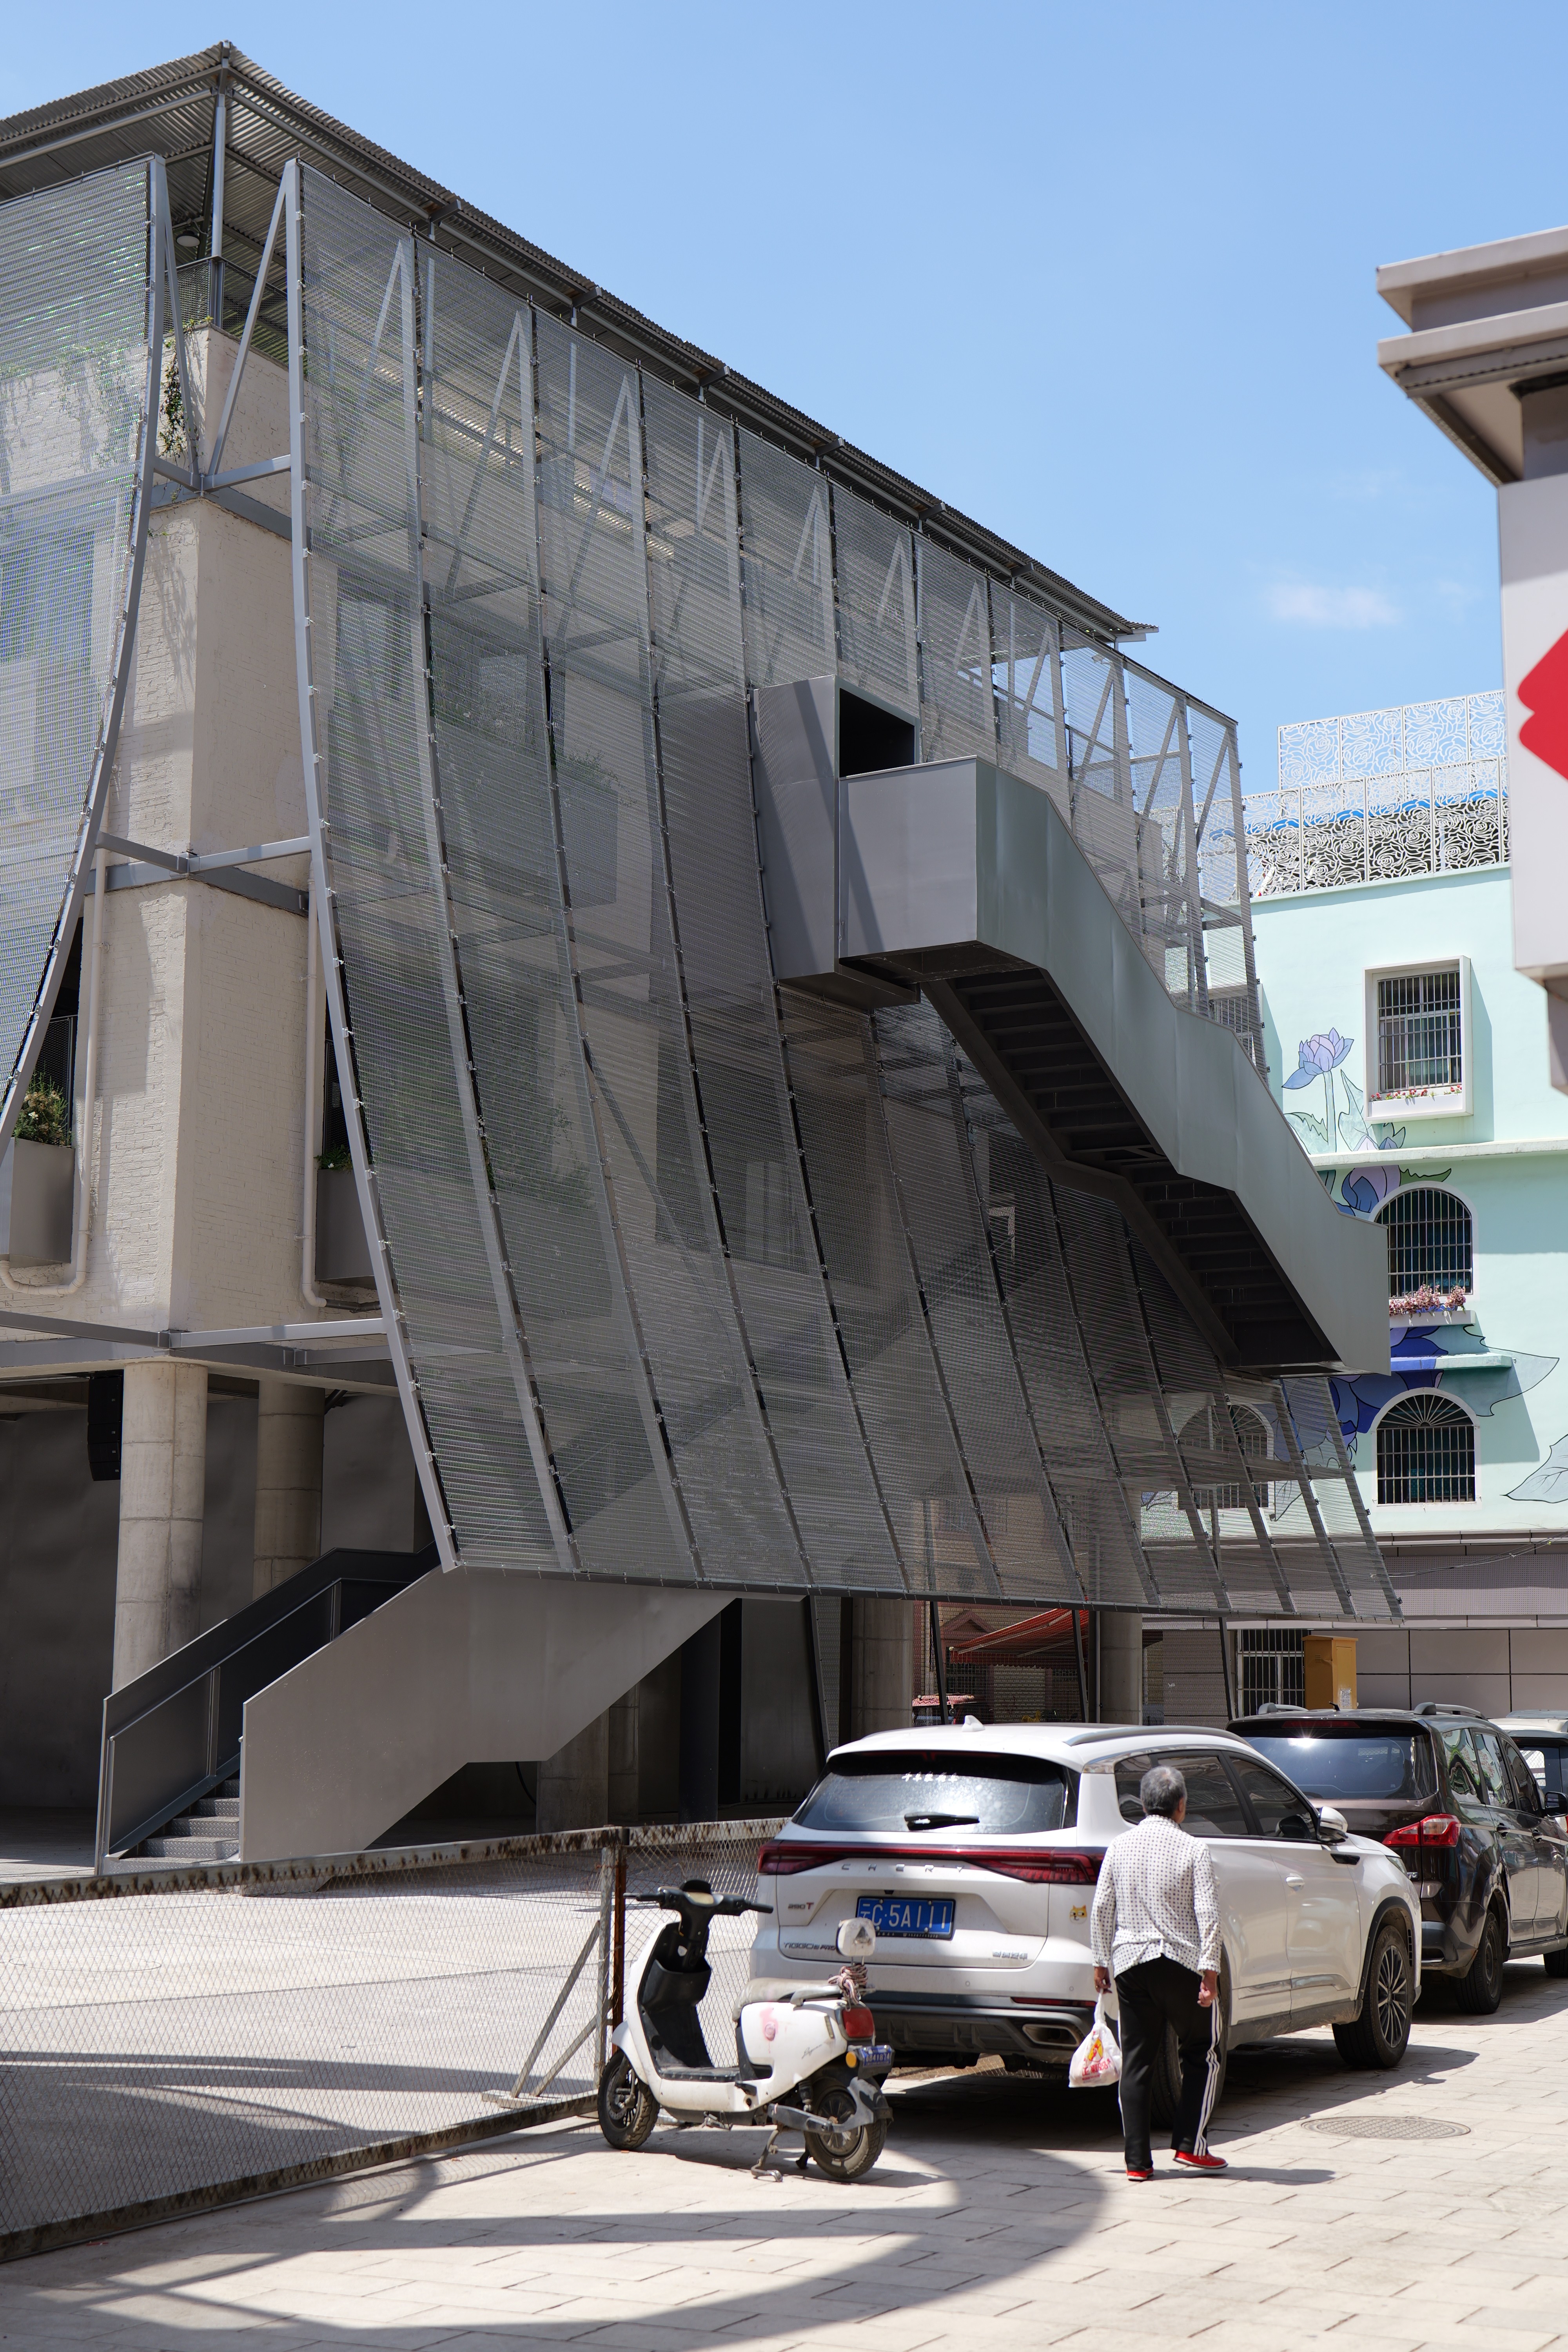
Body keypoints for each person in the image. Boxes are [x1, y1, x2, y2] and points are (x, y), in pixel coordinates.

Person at [1090, 1762, 1226, 2181]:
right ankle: (1189, 2145)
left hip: (1130, 1966)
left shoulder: (1119, 1846)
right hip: (1180, 1964)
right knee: (1202, 2050)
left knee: (1137, 2061)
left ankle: (1137, 2163)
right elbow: (1208, 1913)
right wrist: (1210, 1973)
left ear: (1144, 1804)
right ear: (1181, 1805)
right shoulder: (1194, 1849)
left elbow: (1102, 1907)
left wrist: (1100, 1961)